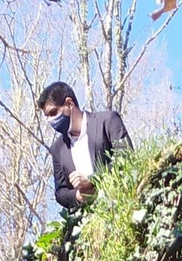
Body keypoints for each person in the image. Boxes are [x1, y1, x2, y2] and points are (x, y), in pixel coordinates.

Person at [39, 81, 131, 209]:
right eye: (47, 116)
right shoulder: (58, 149)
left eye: (53, 113)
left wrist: (92, 179)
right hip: (90, 220)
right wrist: (77, 196)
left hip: (122, 203)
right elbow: (60, 192)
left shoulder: (107, 121)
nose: (50, 120)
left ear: (69, 103)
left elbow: (125, 156)